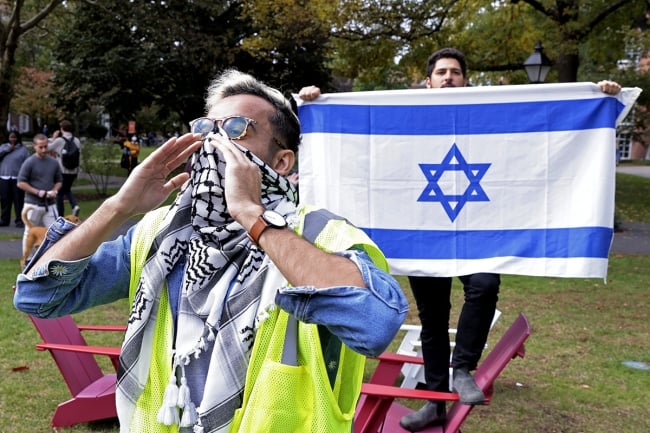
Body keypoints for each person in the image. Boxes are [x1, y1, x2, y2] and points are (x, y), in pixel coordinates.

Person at [14, 69, 408, 433]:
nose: (213, 143)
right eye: (206, 129)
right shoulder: (161, 234)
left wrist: (252, 215)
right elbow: (38, 295)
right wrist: (118, 207)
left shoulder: (322, 234)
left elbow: (375, 323)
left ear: (282, 161)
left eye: (237, 129)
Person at [299, 47, 622, 431]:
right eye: (441, 72)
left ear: (465, 80)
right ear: (428, 80)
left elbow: (536, 129)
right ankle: (435, 401)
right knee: (433, 319)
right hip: (423, 233)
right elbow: (367, 152)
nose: (448, 77)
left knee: (484, 285)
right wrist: (315, 105)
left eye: (455, 72)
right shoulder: (406, 117)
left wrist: (600, 97)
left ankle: (463, 368)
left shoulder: (483, 112)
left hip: (477, 232)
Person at [17, 133, 62, 256]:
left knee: (55, 232)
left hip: (50, 204)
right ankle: (27, 260)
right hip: (33, 203)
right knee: (29, 232)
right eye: (40, 147)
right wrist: (37, 191)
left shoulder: (53, 162)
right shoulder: (29, 162)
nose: (44, 150)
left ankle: (53, 258)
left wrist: (54, 190)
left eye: (46, 146)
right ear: (34, 146)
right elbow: (20, 183)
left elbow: (59, 181)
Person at [48, 120, 81, 217]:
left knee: (59, 193)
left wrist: (53, 137)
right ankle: (74, 205)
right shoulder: (77, 140)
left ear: (61, 129)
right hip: (73, 170)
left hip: (62, 170)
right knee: (67, 189)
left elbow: (48, 148)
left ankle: (60, 215)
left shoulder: (60, 140)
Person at [0, 131, 30, 227]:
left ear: (18, 138)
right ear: (8, 138)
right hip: (4, 177)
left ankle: (19, 220)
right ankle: (4, 220)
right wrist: (8, 150)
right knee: (5, 200)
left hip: (17, 178)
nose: (13, 139)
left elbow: (27, 163)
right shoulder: (3, 147)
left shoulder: (23, 150)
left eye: (15, 137)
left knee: (18, 200)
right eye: (11, 137)